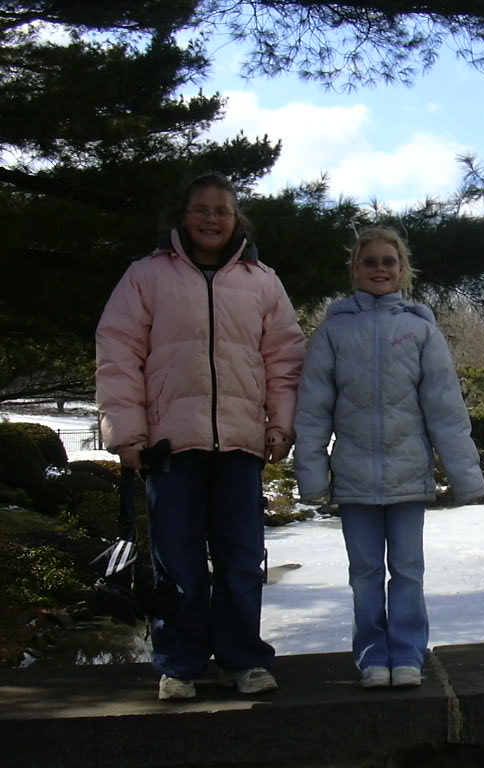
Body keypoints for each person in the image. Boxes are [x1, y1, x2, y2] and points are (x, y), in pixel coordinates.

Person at [95, 172, 306, 701]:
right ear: (183, 216)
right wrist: (127, 434)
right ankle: (179, 664)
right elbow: (118, 355)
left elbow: (285, 359)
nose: (212, 219)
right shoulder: (145, 276)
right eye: (202, 210)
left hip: (240, 444)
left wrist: (280, 424)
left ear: (236, 219)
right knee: (177, 562)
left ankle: (243, 660)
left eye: (222, 211)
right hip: (169, 447)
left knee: (241, 560)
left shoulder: (262, 281)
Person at [293, 226, 484, 689]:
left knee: (407, 571)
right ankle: (371, 657)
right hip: (354, 479)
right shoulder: (334, 332)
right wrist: (312, 476)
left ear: (402, 270)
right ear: (355, 269)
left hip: (408, 477)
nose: (379, 269)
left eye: (388, 261)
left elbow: (446, 410)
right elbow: (313, 411)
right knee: (364, 574)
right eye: (370, 261)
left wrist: (466, 477)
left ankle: (407, 654)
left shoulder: (421, 331)